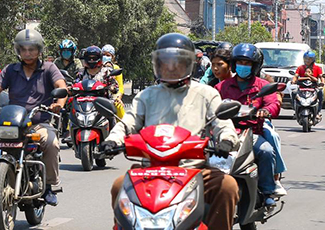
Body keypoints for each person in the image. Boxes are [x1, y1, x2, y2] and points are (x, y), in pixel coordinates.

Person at [101, 33, 241, 229]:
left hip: (195, 170)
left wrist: (226, 140)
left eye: (177, 62)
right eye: (166, 62)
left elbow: (222, 123)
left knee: (227, 187)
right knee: (118, 186)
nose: (171, 67)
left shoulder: (206, 93)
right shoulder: (147, 95)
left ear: (189, 64)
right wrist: (113, 140)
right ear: (158, 64)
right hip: (150, 169)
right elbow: (128, 122)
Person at [0, 27, 68, 206]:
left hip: (38, 123)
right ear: (18, 51)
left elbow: (62, 87)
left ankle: (49, 186)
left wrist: (58, 104)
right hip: (14, 123)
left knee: (51, 143)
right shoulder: (11, 70)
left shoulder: (49, 68)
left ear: (39, 50)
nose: (27, 53)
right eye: (23, 49)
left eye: (32, 49)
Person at [216, 43, 285, 207]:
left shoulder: (262, 85)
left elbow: (273, 104)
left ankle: (267, 191)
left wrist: (265, 111)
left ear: (254, 66)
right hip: (226, 132)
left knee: (266, 151)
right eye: (240, 62)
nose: (243, 66)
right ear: (234, 64)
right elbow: (210, 106)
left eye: (247, 63)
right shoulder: (221, 87)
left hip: (251, 132)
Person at [291, 50, 325, 116]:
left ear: (313, 59)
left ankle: (318, 112)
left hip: (313, 88)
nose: (307, 60)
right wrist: (293, 81)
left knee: (320, 93)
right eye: (306, 59)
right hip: (302, 88)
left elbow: (321, 77)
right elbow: (296, 76)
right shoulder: (300, 67)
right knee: (294, 93)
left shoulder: (317, 68)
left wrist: (322, 82)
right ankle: (295, 110)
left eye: (309, 59)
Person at [100, 44, 125, 119]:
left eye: (108, 55)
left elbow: (120, 87)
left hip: (112, 95)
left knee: (118, 106)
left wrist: (118, 97)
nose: (105, 57)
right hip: (99, 94)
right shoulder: (98, 67)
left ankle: (124, 125)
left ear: (112, 57)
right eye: (103, 55)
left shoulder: (116, 68)